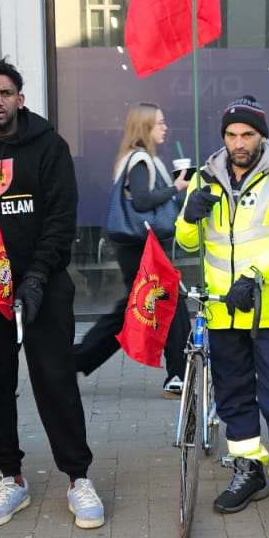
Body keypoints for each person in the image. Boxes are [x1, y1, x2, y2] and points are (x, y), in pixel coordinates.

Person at [0, 59, 104, 530]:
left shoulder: (49, 146)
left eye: (7, 93)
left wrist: (37, 277)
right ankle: (11, 477)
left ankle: (78, 478)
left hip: (42, 286)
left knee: (55, 382)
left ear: (20, 99)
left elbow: (60, 222)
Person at [175, 96, 269, 532]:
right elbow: (188, 244)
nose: (239, 143)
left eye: (247, 135)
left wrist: (255, 276)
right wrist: (188, 217)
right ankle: (248, 469)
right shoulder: (206, 177)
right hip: (221, 313)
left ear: (262, 136)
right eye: (232, 135)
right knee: (234, 397)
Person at [74, 102, 193, 395]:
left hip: (141, 246)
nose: (165, 128)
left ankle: (180, 371)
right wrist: (177, 187)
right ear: (145, 127)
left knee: (147, 307)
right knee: (156, 306)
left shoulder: (139, 159)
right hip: (142, 246)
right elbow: (141, 201)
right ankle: (178, 373)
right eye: (160, 123)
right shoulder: (140, 160)